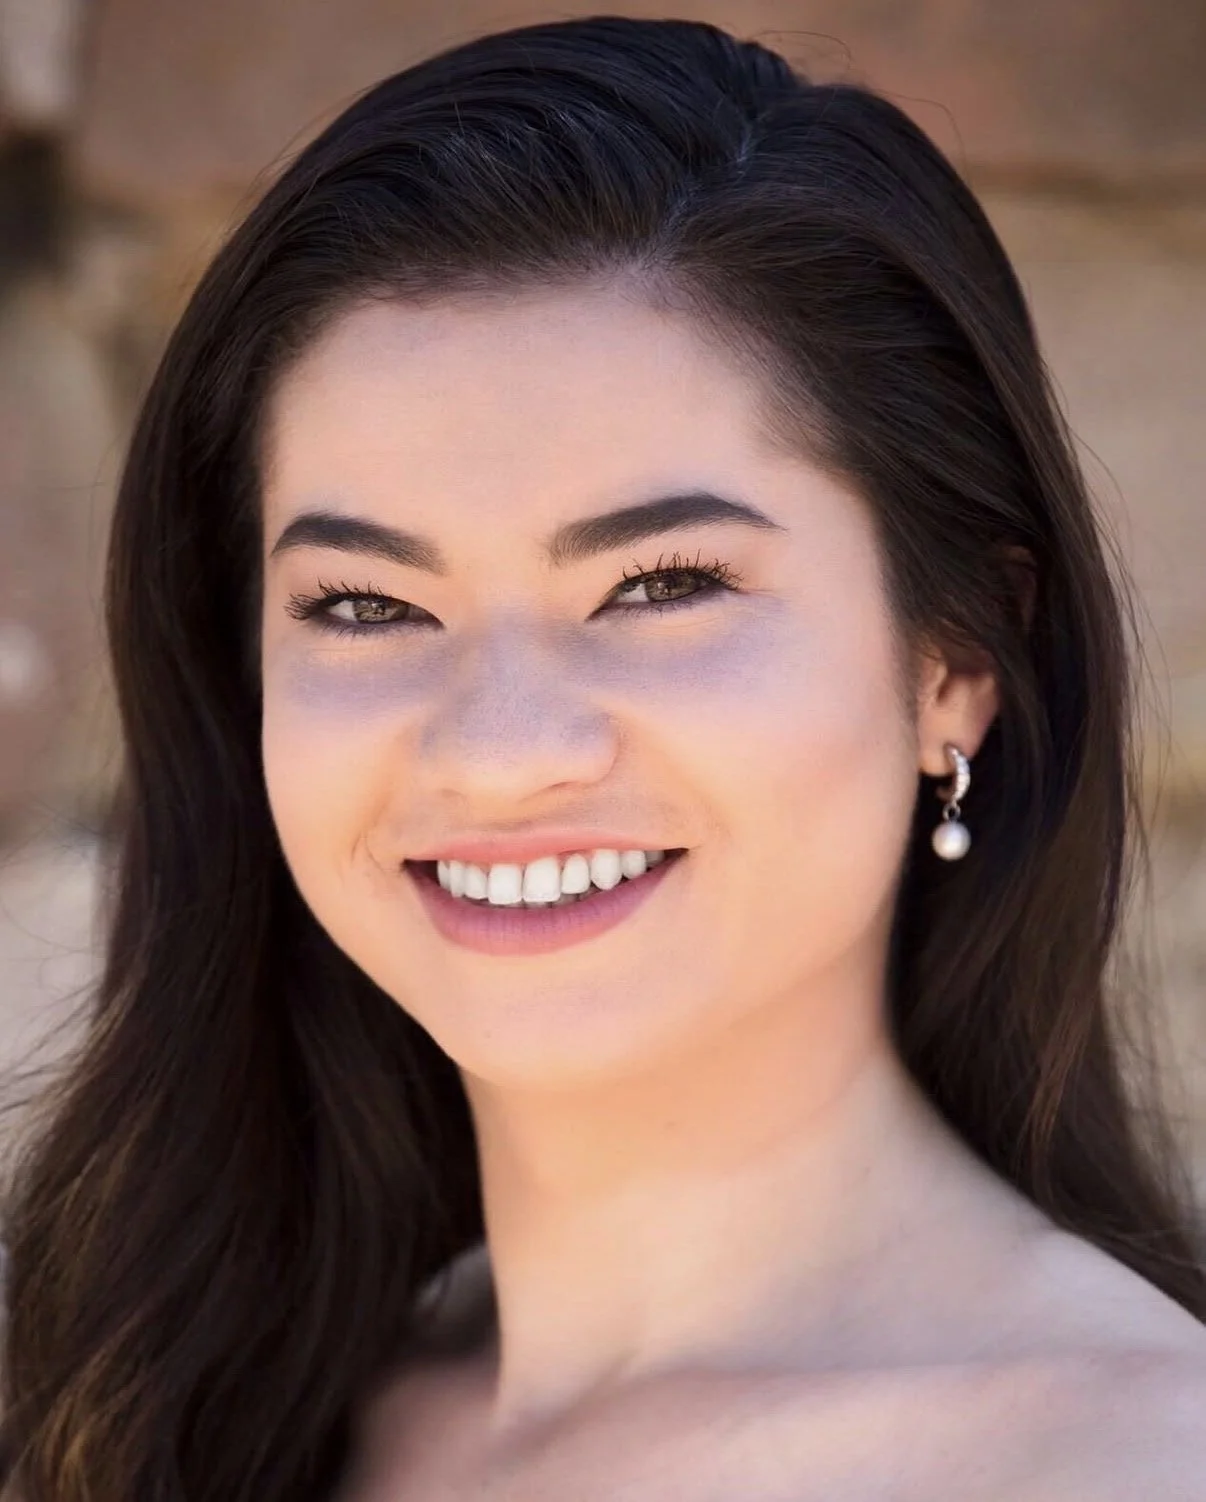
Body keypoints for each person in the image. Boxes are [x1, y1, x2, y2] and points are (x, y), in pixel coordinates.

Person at [1, 14, 1204, 1500]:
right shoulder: (166, 1402)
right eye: (366, 603)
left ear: (953, 658)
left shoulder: (1131, 1458)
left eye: (659, 585)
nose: (503, 750)